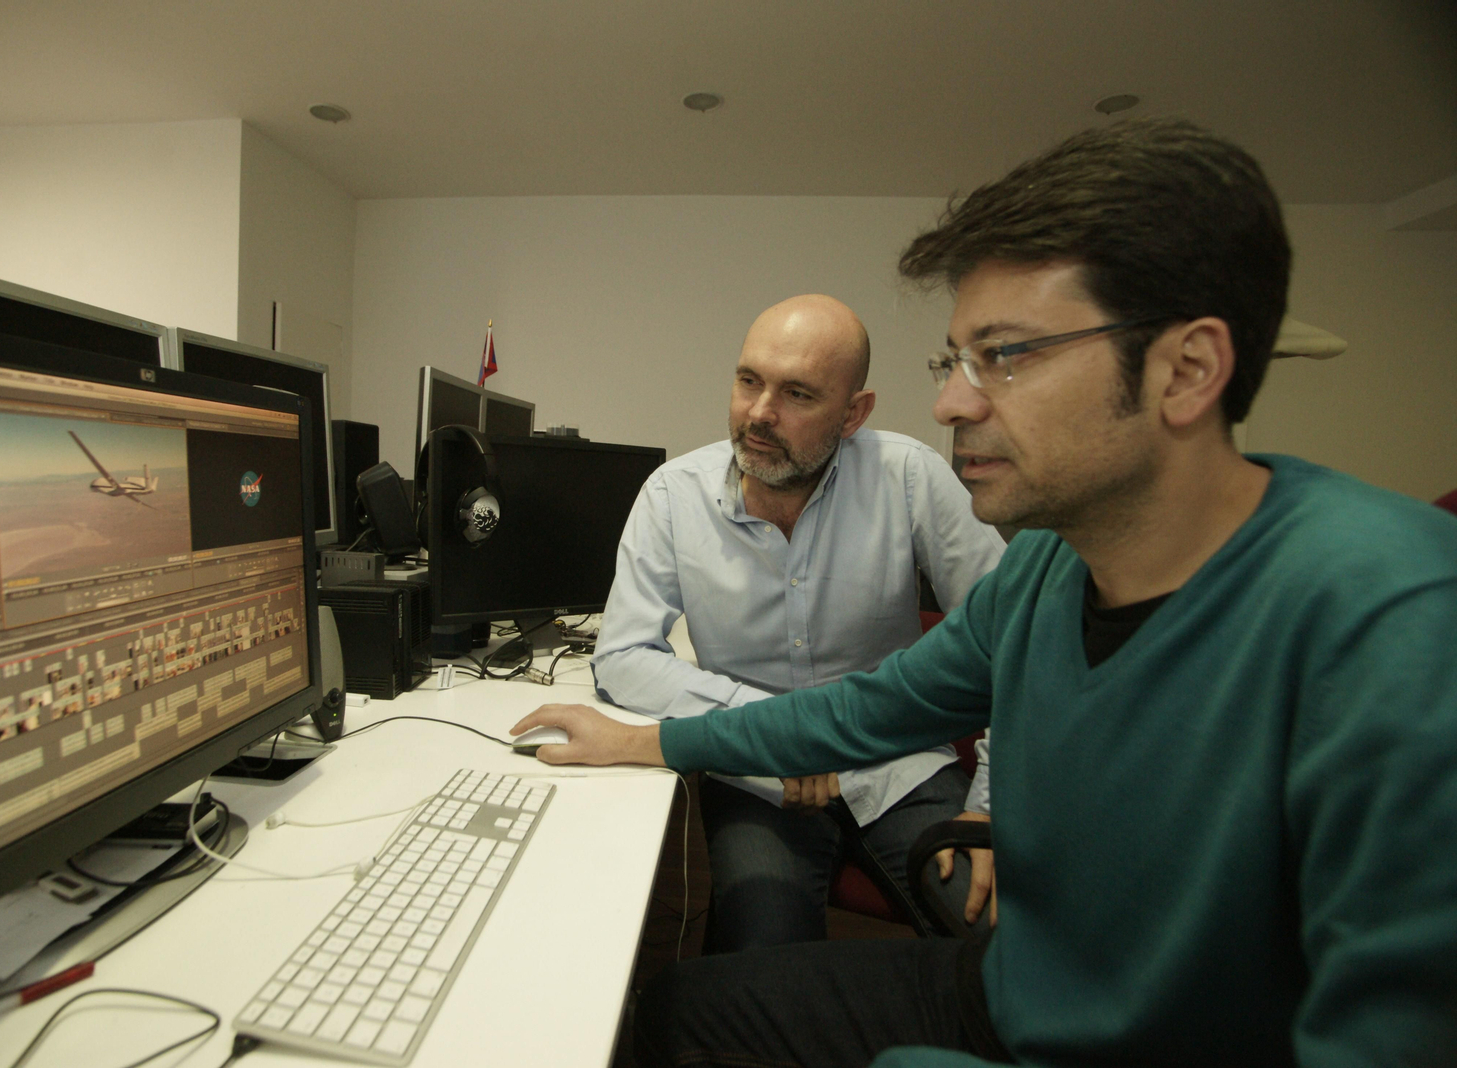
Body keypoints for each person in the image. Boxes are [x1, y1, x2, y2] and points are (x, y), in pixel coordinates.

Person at [513, 118, 1457, 1067]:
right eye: (953, 361)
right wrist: (645, 740)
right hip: (1022, 990)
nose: (953, 405)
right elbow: (863, 710)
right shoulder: (1050, 570)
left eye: (1006, 357)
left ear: (1187, 370)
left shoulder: (1395, 612)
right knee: (670, 1013)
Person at [591, 293, 1005, 950]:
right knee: (758, 959)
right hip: (759, 777)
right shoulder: (673, 495)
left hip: (899, 763)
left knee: (1000, 940)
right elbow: (621, 655)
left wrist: (992, 804)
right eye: (748, 380)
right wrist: (775, 733)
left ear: (853, 413)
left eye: (798, 395)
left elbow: (1014, 645)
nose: (759, 413)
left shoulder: (909, 477)